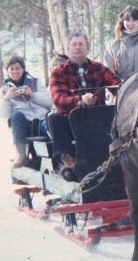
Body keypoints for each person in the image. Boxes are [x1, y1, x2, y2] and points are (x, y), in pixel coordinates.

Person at [48, 33, 121, 181]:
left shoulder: (99, 68)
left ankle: (121, 158)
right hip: (70, 121)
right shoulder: (59, 72)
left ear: (87, 48)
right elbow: (58, 98)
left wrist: (125, 91)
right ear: (68, 50)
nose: (77, 48)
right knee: (54, 118)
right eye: (74, 45)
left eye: (81, 44)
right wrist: (79, 100)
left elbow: (117, 85)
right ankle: (66, 161)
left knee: (118, 115)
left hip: (97, 119)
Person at [0, 56, 53, 168]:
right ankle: (21, 154)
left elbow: (48, 103)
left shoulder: (35, 83)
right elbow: (3, 115)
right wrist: (7, 98)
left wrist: (32, 94)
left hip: (40, 121)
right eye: (11, 69)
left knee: (52, 120)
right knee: (16, 115)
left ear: (23, 69)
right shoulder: (4, 90)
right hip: (24, 124)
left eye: (17, 68)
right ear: (7, 71)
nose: (15, 71)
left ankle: (61, 156)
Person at [104, 6, 138, 80]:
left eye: (134, 20)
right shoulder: (112, 47)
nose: (130, 23)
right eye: (127, 20)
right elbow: (109, 74)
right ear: (122, 22)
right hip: (122, 89)